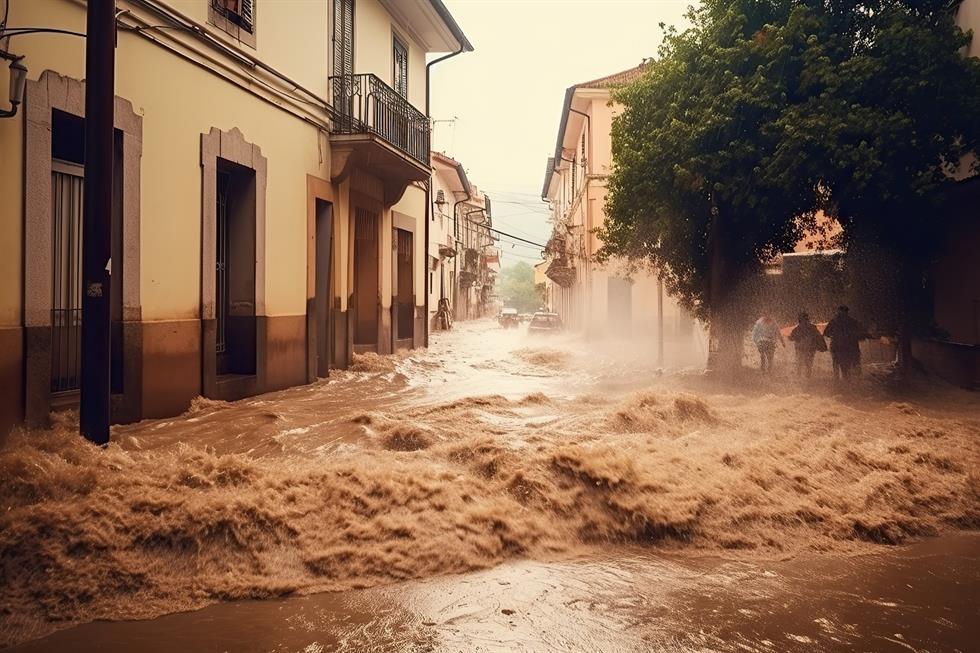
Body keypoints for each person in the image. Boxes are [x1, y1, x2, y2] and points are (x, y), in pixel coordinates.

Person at [823, 305, 867, 381]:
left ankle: (838, 381)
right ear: (847, 312)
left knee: (837, 363)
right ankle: (848, 381)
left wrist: (834, 336)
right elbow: (861, 334)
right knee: (849, 365)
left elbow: (826, 333)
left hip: (837, 347)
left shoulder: (834, 321)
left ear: (838, 311)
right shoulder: (853, 321)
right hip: (850, 347)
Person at [788, 311, 826, 379]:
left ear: (799, 319)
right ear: (807, 318)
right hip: (810, 349)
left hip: (800, 349)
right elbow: (818, 336)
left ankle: (799, 376)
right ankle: (807, 377)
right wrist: (822, 346)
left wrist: (791, 338)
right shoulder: (812, 327)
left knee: (799, 363)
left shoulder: (797, 328)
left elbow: (791, 338)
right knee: (809, 363)